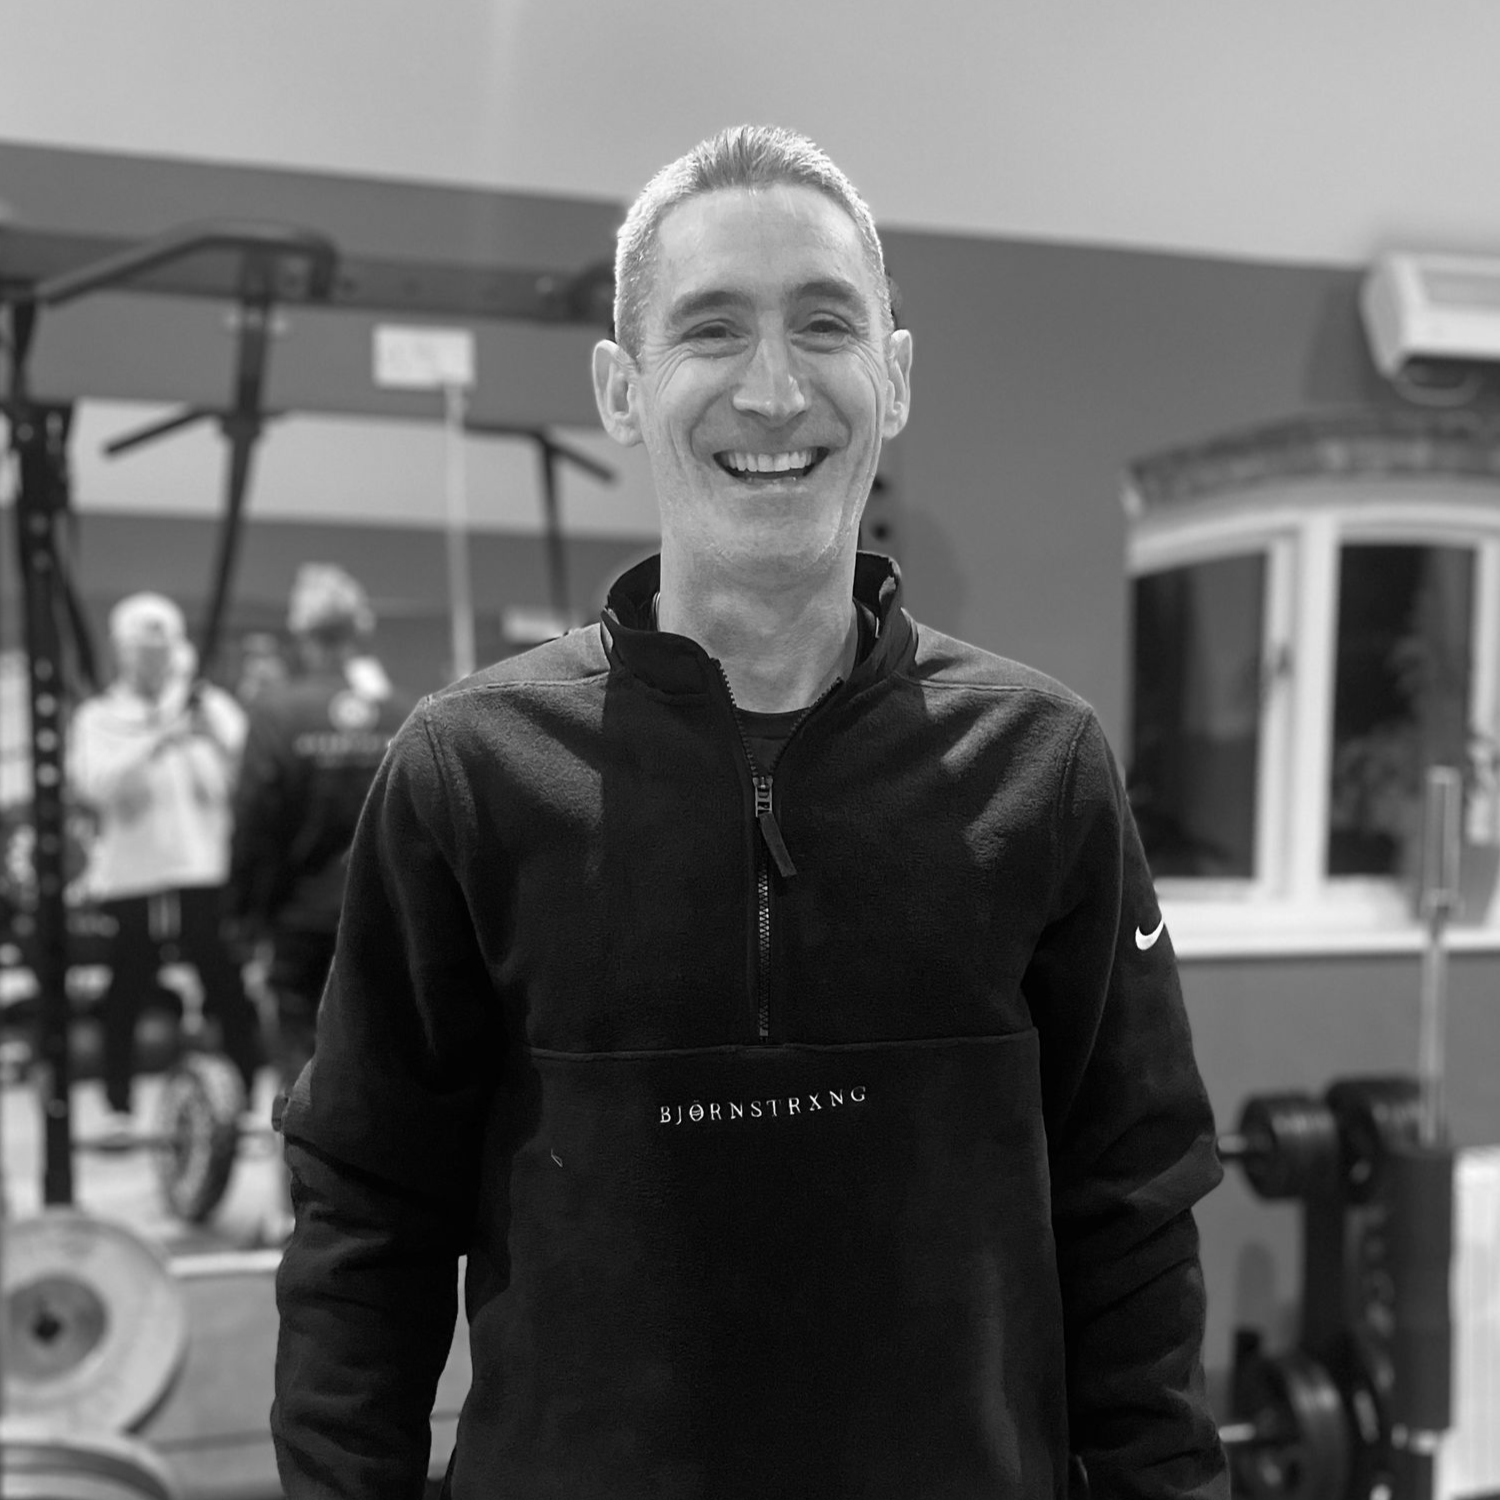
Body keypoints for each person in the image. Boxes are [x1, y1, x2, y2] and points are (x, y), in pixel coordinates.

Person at [272, 125, 1229, 1499]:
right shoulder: (466, 775)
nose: (774, 389)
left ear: (892, 377)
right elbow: (368, 1232)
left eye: (824, 325)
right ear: (620, 388)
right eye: (712, 331)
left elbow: (1132, 1219)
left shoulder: (1046, 766)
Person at [68, 592, 262, 1132]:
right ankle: (117, 1106)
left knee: (223, 980)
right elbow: (94, 786)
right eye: (140, 650)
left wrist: (203, 726)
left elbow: (249, 770)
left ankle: (247, 1098)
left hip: (205, 870)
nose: (152, 661)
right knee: (127, 985)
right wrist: (158, 737)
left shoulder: (208, 706)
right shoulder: (98, 717)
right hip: (133, 878)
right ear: (121, 652)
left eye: (162, 650)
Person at [227, 564, 412, 1101]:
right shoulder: (404, 713)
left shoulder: (276, 715)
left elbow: (253, 824)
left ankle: (304, 1177)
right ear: (359, 630)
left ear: (301, 634)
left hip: (301, 922)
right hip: (388, 919)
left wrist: (243, 917)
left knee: (301, 1067)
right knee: (384, 1060)